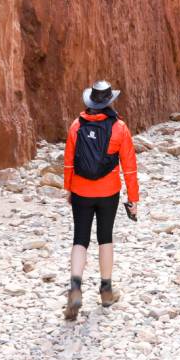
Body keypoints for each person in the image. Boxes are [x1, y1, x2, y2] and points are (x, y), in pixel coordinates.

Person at [62, 80, 139, 321]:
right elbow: (129, 167)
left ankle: (75, 288)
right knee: (105, 237)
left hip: (81, 191)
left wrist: (68, 188)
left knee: (80, 238)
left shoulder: (77, 126)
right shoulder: (119, 128)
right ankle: (106, 291)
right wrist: (133, 198)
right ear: (109, 102)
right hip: (109, 192)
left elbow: (68, 161)